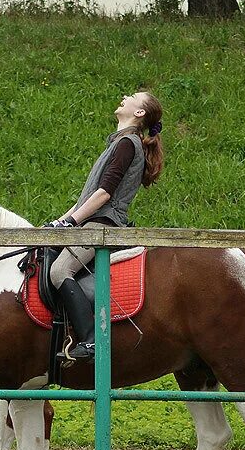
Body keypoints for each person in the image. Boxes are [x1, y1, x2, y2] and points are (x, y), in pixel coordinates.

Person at [47, 91, 164, 360]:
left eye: (132, 96)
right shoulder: (119, 143)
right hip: (89, 221)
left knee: (59, 270)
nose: (125, 96)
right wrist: (59, 222)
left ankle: (91, 340)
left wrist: (71, 222)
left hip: (102, 225)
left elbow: (104, 194)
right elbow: (85, 199)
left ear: (139, 113)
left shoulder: (127, 144)